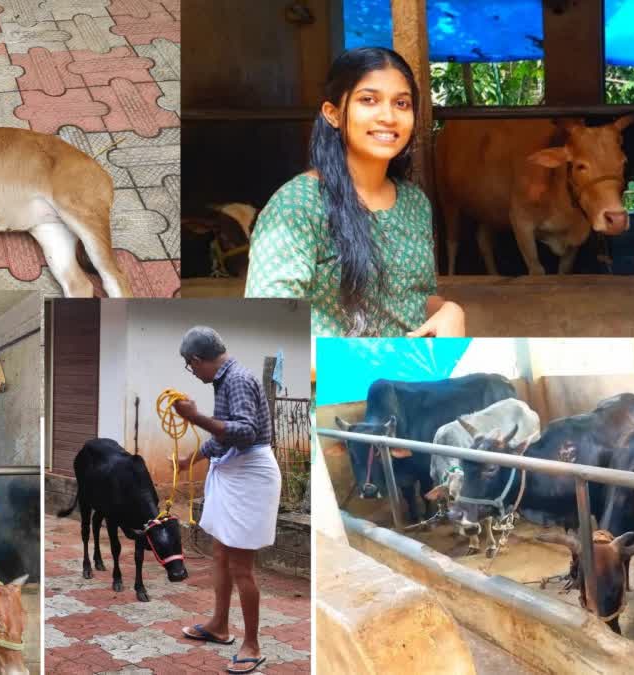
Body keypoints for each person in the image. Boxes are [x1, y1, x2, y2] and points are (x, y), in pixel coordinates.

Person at [245, 46, 465, 337]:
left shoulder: (414, 202)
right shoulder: (296, 206)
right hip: (331, 382)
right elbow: (267, 336)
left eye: (401, 103)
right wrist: (379, 359)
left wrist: (449, 311)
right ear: (333, 114)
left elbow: (412, 302)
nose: (388, 116)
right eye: (368, 100)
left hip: (410, 379)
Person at [171, 327, 281, 675]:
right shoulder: (225, 380)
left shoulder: (236, 379)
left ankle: (252, 644)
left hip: (251, 475)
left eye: (191, 367)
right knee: (220, 552)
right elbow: (224, 436)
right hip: (233, 470)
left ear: (197, 360)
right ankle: (219, 626)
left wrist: (194, 417)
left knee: (241, 566)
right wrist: (194, 459)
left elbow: (245, 432)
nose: (193, 373)